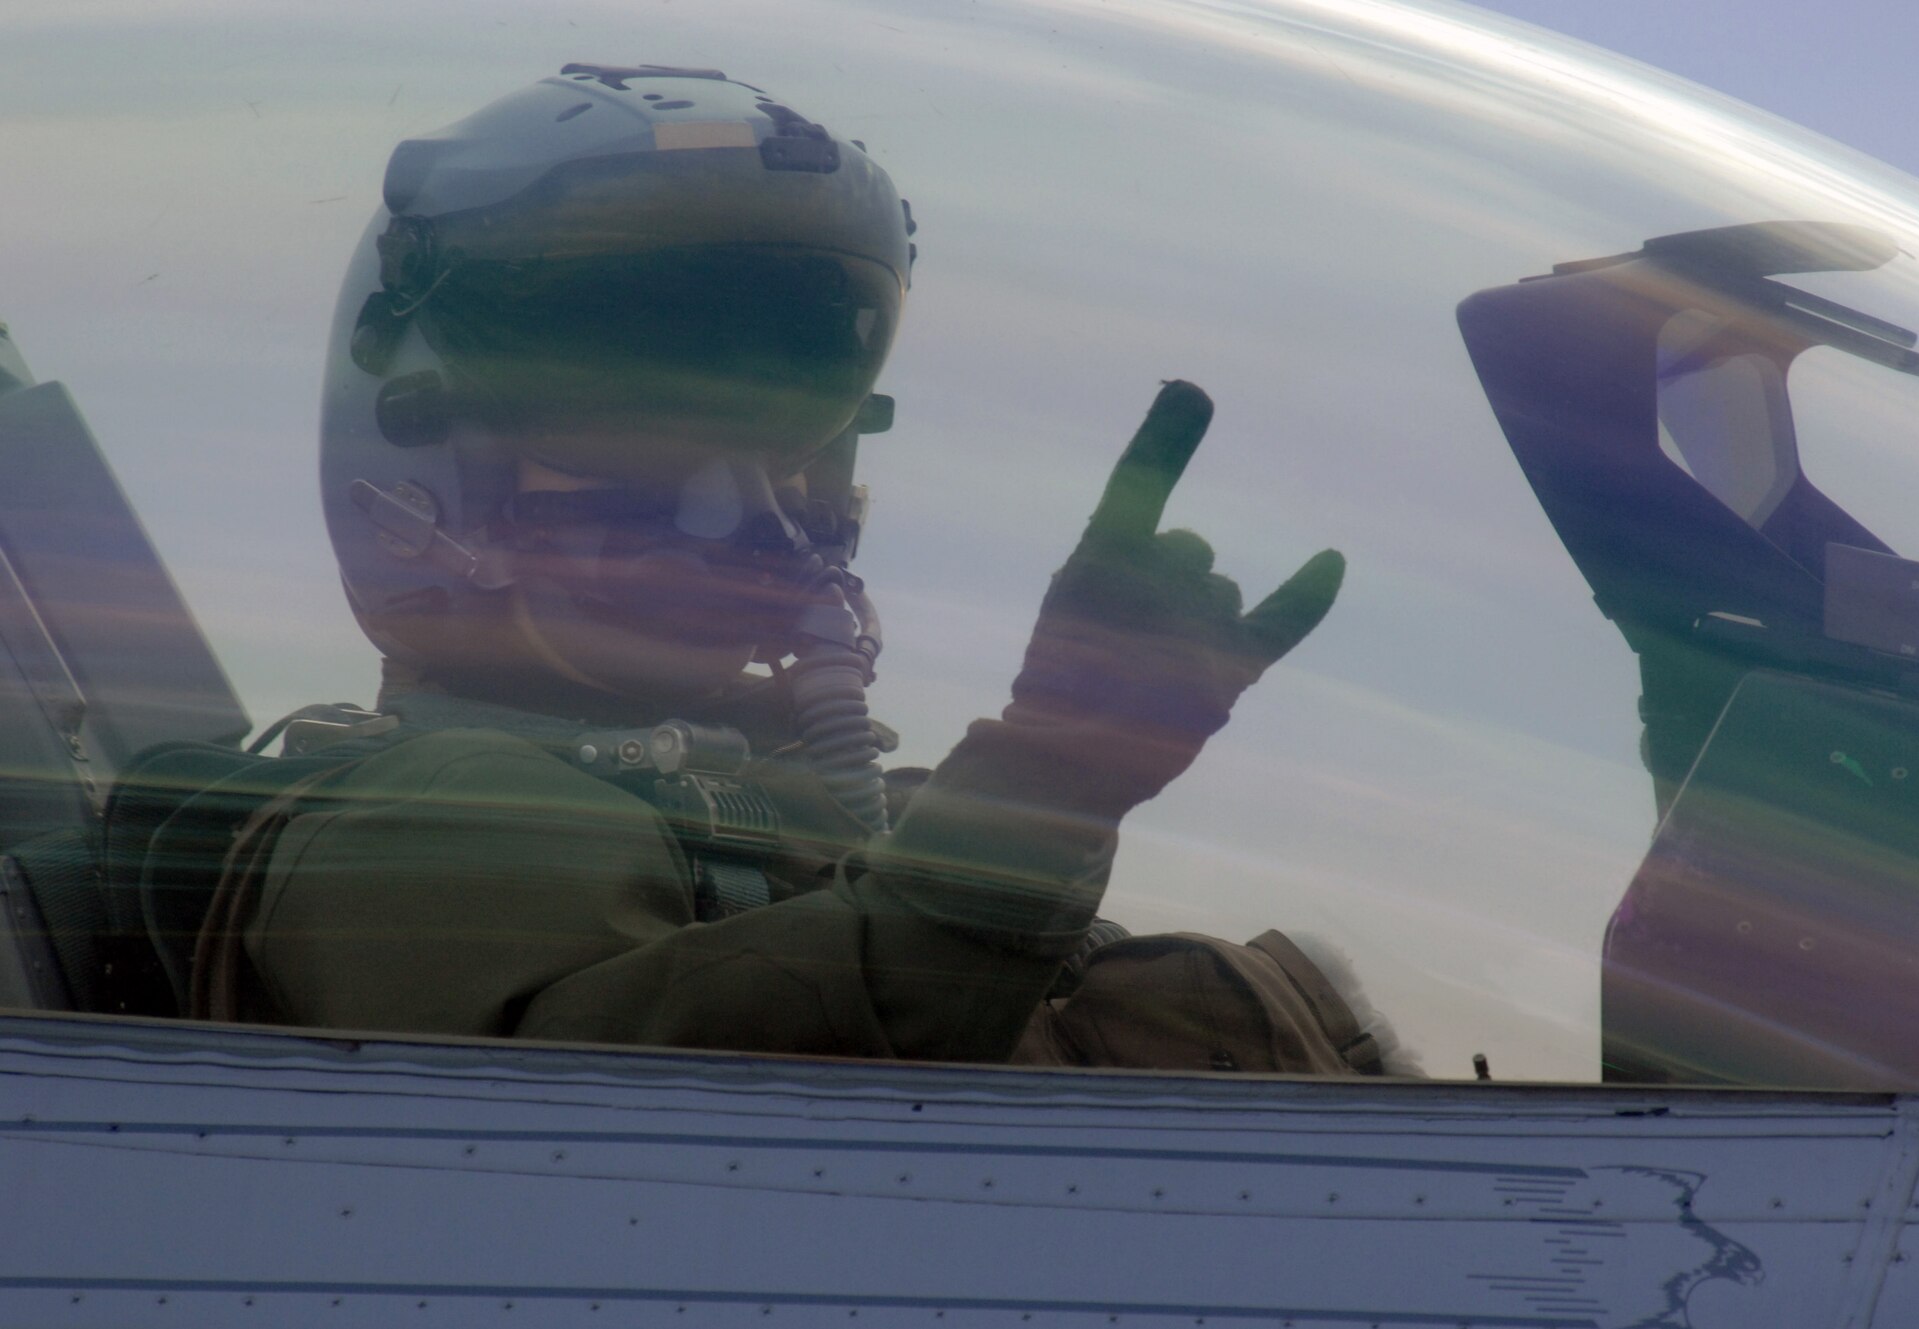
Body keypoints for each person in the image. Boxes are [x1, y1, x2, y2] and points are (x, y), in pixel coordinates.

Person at [176, 65, 1358, 1069]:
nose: (725, 490)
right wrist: (1040, 789)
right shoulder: (439, 811)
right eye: (626, 417)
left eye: (773, 421)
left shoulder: (823, 817)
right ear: (415, 436)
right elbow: (631, 1154)